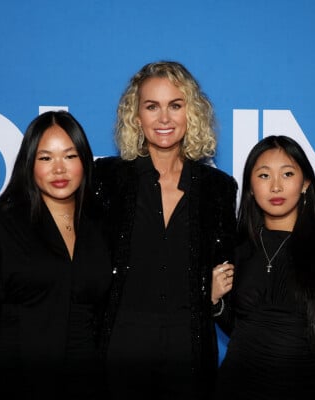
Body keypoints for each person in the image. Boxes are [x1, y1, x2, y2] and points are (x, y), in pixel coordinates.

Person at [93, 61, 238, 399]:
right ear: (136, 115)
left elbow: (230, 271)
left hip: (189, 356)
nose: (164, 119)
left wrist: (215, 298)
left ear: (192, 112)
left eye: (175, 105)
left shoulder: (218, 188)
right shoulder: (106, 179)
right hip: (118, 355)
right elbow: (68, 249)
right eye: (151, 106)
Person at [0, 111, 112, 399]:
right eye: (45, 158)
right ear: (29, 163)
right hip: (19, 383)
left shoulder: (102, 224)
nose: (59, 169)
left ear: (85, 161)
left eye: (69, 156)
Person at [213, 135, 315, 399]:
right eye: (263, 176)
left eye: (287, 174)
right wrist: (214, 302)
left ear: (305, 183)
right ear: (250, 187)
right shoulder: (236, 249)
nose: (276, 187)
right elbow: (242, 329)